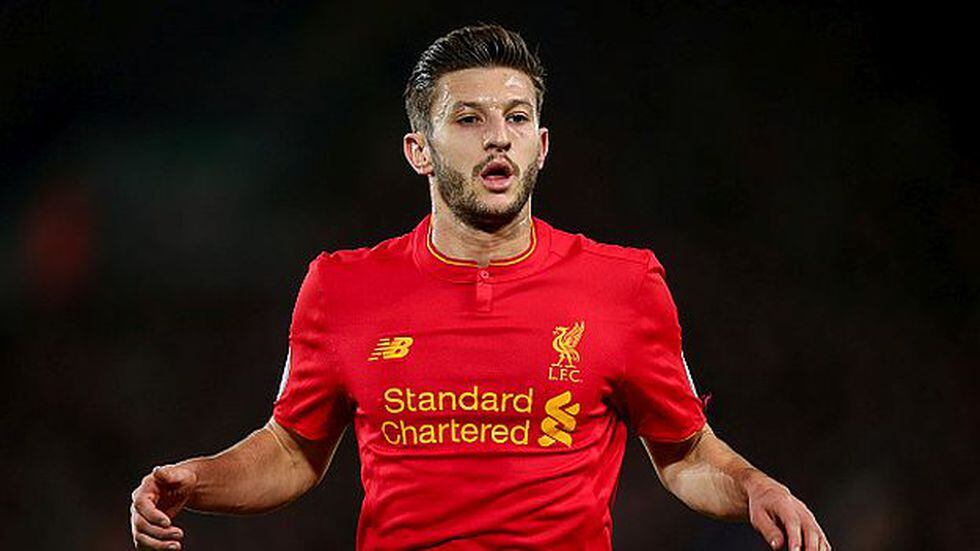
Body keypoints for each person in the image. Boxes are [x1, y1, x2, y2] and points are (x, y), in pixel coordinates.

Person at [130, 24, 830, 551]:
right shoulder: (340, 286)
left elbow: (686, 453)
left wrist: (755, 486)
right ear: (420, 151)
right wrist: (199, 479)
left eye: (516, 117)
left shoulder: (626, 284)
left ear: (541, 146)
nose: (498, 137)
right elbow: (291, 451)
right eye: (469, 118)